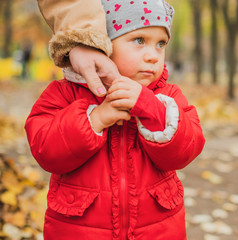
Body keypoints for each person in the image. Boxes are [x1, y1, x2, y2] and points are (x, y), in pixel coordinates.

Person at [25, 1, 205, 239]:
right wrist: (95, 119)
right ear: (104, 45)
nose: (152, 56)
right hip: (79, 228)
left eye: (160, 44)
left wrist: (150, 108)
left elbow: (187, 149)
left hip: (157, 229)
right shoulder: (65, 93)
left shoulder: (167, 97)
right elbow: (45, 150)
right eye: (139, 40)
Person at [37, 0, 118, 96]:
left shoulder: (138, 93)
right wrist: (82, 36)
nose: (141, 55)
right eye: (138, 40)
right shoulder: (64, 92)